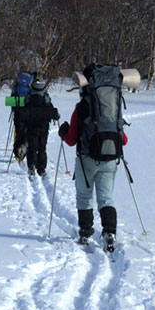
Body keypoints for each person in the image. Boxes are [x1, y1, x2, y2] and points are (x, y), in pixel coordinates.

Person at [58, 64, 128, 252]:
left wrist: (63, 132)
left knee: (84, 196)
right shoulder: (114, 104)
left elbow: (71, 140)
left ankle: (86, 232)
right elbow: (124, 139)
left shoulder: (82, 107)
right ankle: (110, 232)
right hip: (111, 158)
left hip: (86, 159)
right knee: (106, 197)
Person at [22, 78, 60, 178]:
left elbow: (24, 111)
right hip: (43, 127)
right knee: (42, 148)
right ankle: (41, 169)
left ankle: (31, 165)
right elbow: (53, 113)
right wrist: (56, 115)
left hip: (31, 127)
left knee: (32, 147)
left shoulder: (29, 98)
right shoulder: (46, 99)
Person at [10, 71, 34, 164]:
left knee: (18, 132)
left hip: (18, 113)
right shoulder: (29, 87)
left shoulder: (16, 86)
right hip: (28, 114)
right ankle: (24, 149)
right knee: (27, 131)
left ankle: (17, 151)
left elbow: (11, 100)